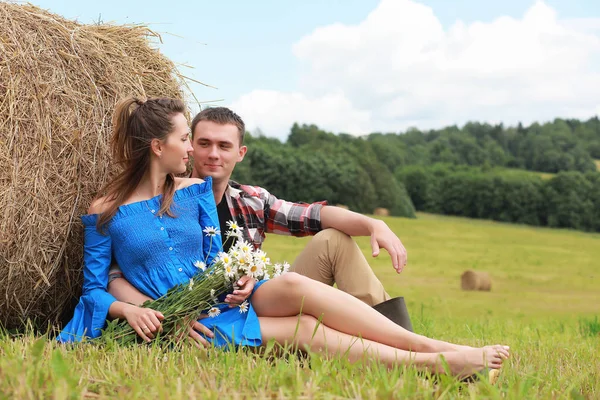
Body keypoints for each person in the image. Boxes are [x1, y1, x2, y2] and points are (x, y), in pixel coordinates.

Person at [58, 97, 510, 380]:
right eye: (189, 140)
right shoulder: (105, 212)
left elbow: (227, 254)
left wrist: (235, 283)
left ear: (240, 152)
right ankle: (440, 364)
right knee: (308, 331)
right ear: (160, 146)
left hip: (224, 306)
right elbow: (96, 287)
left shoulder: (197, 194)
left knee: (302, 288)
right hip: (180, 324)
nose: (199, 152)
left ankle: (437, 349)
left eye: (218, 145)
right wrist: (139, 311)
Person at [108, 107, 412, 328]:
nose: (213, 154)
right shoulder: (164, 202)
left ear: (240, 153)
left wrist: (374, 223)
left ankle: (398, 335)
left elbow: (312, 215)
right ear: (189, 147)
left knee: (333, 240)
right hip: (211, 315)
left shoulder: (251, 200)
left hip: (264, 298)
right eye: (204, 143)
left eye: (224, 146)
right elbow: (126, 267)